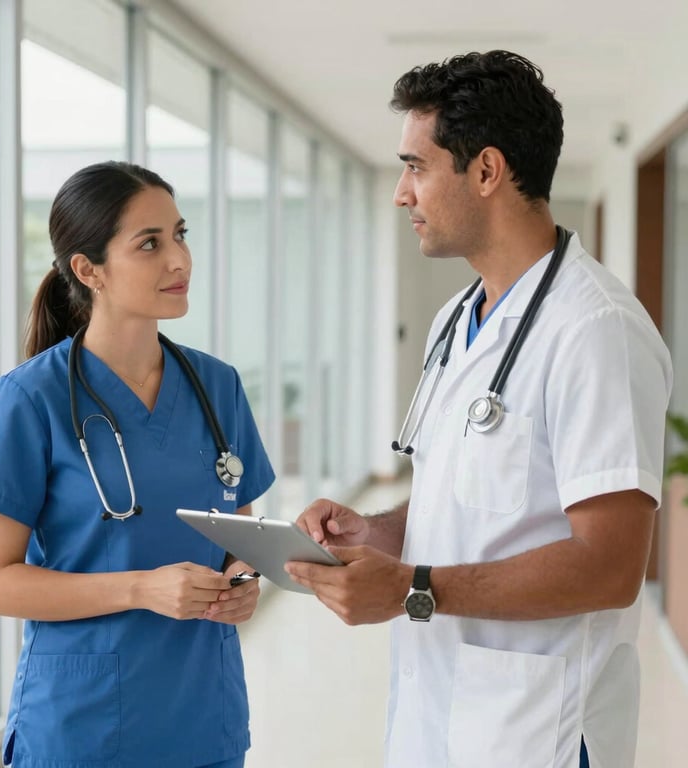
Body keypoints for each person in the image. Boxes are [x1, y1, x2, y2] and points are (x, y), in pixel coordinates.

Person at [286, 50, 673, 768]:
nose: (402, 193)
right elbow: (467, 506)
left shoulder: (597, 331)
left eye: (416, 166)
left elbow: (612, 566)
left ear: (486, 171)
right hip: (438, 714)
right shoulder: (456, 320)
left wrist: (412, 590)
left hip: (539, 730)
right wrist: (376, 531)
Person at [0, 161, 275, 768]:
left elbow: (242, 538)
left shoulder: (217, 386)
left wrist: (244, 582)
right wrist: (142, 589)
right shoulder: (31, 400)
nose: (179, 260)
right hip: (83, 726)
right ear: (88, 269)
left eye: (180, 235)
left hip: (204, 718)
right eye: (149, 244)